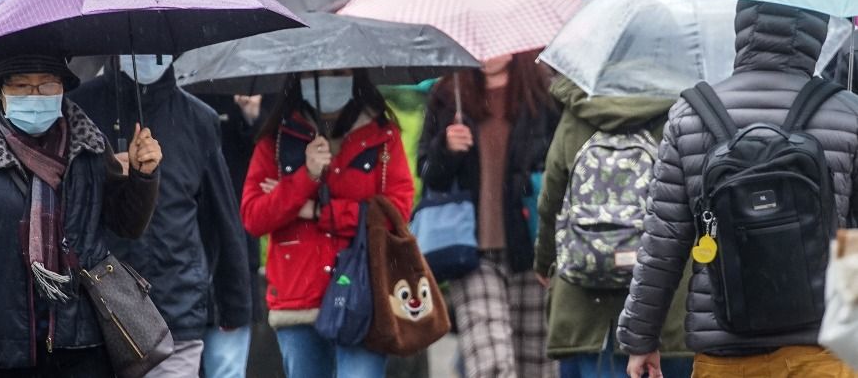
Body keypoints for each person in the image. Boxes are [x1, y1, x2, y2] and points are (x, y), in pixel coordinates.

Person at [619, 0, 858, 378]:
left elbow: (662, 245)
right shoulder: (848, 113)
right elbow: (855, 239)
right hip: (823, 350)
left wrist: (640, 340)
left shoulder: (691, 115)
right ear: (818, 31)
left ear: (743, 27)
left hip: (725, 351)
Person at [0, 54, 162, 377]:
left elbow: (128, 224)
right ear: (0, 91)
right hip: (1, 346)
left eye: (47, 85)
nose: (35, 96)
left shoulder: (90, 146)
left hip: (82, 342)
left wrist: (143, 175)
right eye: (22, 85)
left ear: (63, 88)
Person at [69, 54, 251, 377]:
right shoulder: (77, 110)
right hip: (99, 311)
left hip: (175, 312)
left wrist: (234, 305)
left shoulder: (199, 118)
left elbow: (222, 217)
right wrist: (107, 172)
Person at [241, 69, 414, 378]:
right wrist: (304, 176)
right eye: (317, 72)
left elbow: (396, 213)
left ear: (356, 74)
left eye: (339, 71)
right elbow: (254, 217)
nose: (329, 77)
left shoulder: (383, 136)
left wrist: (320, 212)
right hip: (298, 294)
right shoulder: (276, 140)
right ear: (300, 76)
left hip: (365, 292)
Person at [533, 76, 693, 377]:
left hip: (584, 302)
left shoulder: (576, 113)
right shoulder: (684, 112)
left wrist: (544, 262)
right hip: (668, 306)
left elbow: (550, 200)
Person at [417, 51, 560, 378]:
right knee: (491, 364)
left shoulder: (544, 95)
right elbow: (427, 172)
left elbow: (563, 164)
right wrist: (446, 148)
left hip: (532, 246)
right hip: (471, 250)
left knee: (536, 366)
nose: (488, 54)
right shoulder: (446, 95)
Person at [192, 93, 267, 378]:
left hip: (234, 255)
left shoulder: (254, 90)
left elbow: (272, 159)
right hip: (181, 260)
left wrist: (253, 118)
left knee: (228, 369)